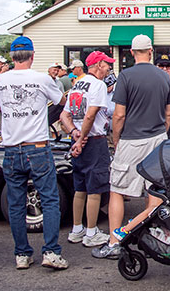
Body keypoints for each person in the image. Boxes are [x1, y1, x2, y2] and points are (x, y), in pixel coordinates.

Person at [91, 34, 170, 259]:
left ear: (131, 52)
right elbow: (169, 113)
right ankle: (152, 238)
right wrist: (162, 132)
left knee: (117, 189)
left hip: (131, 138)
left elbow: (119, 115)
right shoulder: (164, 77)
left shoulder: (126, 76)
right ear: (150, 51)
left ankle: (115, 241)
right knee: (154, 190)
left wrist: (116, 139)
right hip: (157, 139)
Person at [0, 36, 68, 270]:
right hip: (38, 146)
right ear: (32, 56)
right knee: (50, 200)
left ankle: (22, 254)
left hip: (12, 148)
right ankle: (51, 251)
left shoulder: (0, 80)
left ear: (12, 58)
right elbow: (61, 100)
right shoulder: (41, 78)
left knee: (15, 203)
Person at [60, 51, 113, 249]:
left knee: (79, 187)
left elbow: (64, 115)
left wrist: (74, 132)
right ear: (98, 64)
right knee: (95, 188)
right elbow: (91, 115)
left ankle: (76, 228)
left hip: (78, 140)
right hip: (94, 141)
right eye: (107, 64)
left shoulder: (77, 85)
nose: (108, 68)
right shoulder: (98, 85)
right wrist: (82, 138)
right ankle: (91, 231)